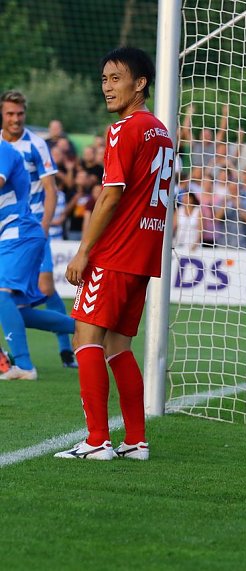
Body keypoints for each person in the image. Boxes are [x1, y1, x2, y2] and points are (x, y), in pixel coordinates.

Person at [56, 47, 174, 461]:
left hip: (115, 251)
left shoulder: (125, 129)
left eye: (116, 78)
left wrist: (84, 251)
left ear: (140, 84)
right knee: (118, 346)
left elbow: (110, 194)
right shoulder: (161, 131)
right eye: (104, 79)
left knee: (84, 337)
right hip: (143, 254)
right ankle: (136, 440)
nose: (107, 87)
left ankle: (96, 441)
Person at [0, 90, 77, 367]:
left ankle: (66, 348)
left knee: (44, 288)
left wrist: (44, 226)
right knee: (16, 303)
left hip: (30, 228)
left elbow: (51, 190)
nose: (15, 119)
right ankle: (81, 332)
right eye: (10, 114)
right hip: (7, 230)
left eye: (20, 114)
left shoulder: (36, 144)